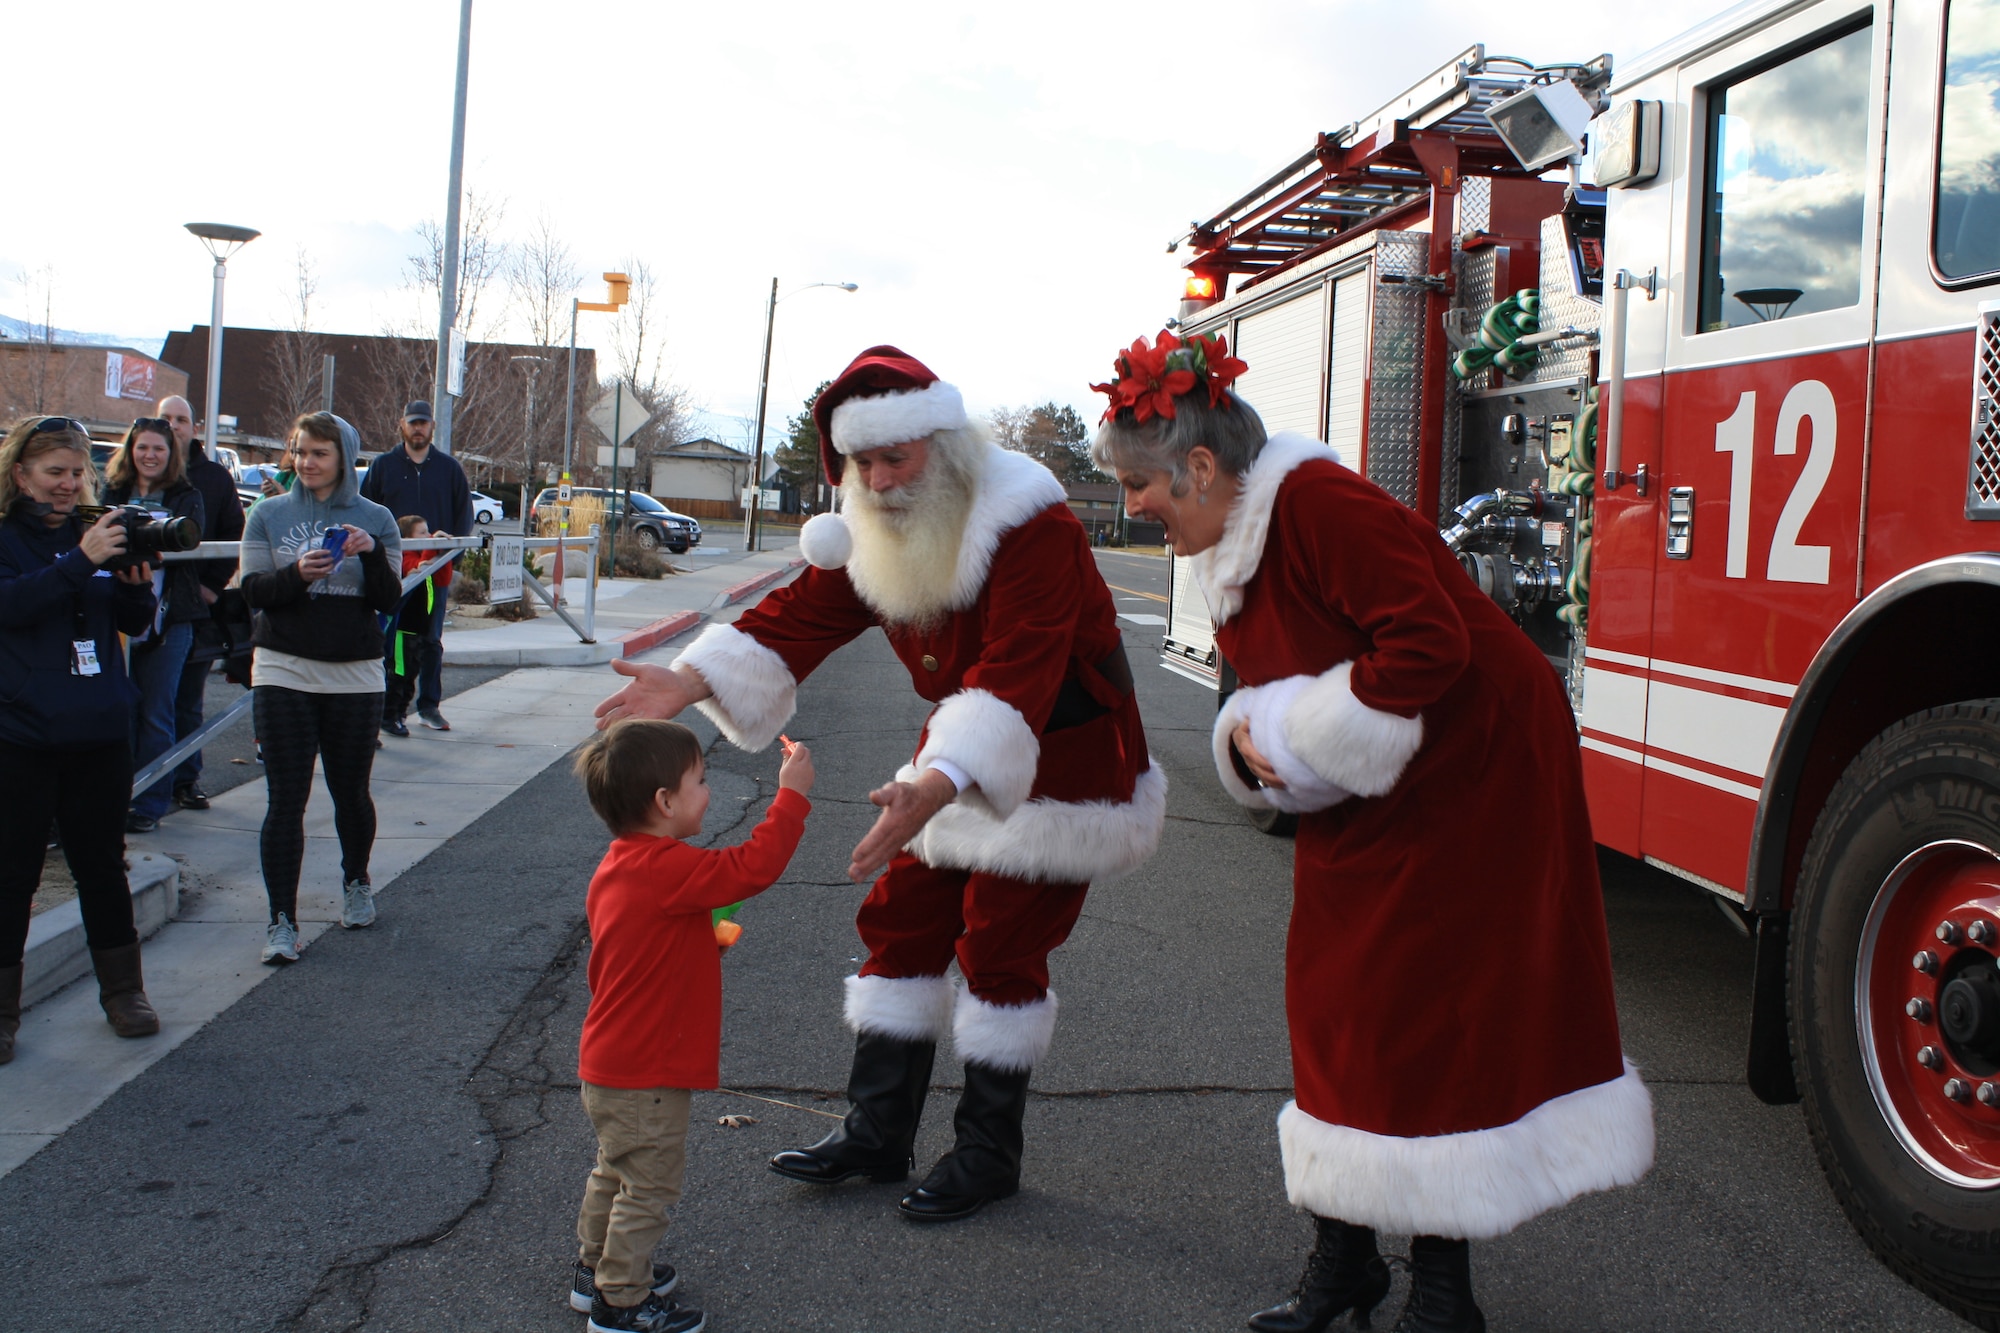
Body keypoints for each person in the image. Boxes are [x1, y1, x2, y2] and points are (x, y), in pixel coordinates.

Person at [1090, 331, 1654, 1333]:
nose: (1131, 505)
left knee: (1420, 1010)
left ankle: (1442, 1292)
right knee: (1336, 999)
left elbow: (1429, 639)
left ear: (1201, 467)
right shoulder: (1231, 533)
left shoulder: (1317, 506)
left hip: (1472, 769)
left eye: (1138, 484)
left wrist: (1300, 741)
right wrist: (1259, 742)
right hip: (1382, 775)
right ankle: (1344, 1258)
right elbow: (1291, 678)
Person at [595, 346, 1165, 1223]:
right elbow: (801, 612)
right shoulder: (885, 526)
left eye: (895, 457)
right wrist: (688, 679)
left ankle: (985, 1153)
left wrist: (938, 779)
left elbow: (1020, 669)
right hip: (961, 744)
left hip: (1067, 754)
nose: (881, 478)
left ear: (945, 445)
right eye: (863, 463)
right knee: (902, 914)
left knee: (1001, 941)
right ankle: (876, 1130)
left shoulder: (1032, 526)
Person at [567, 720, 815, 1333]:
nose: (709, 789)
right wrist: (793, 796)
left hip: (611, 1064)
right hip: (648, 1069)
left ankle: (595, 1269)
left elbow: (641, 946)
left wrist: (699, 945)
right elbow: (752, 867)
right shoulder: (667, 867)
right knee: (649, 1187)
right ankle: (621, 1302)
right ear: (665, 803)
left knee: (615, 1170)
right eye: (701, 780)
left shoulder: (622, 866)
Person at [0, 415, 163, 1061]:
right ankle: (3, 1013)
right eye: (54, 473)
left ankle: (124, 992)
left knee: (101, 865)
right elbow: (12, 607)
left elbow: (128, 620)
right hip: (22, 734)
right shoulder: (15, 540)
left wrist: (135, 591)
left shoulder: (94, 534)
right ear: (20, 475)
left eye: (77, 472)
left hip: (98, 729)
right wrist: (81, 560)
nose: (69, 485)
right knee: (13, 876)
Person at [239, 412, 401, 964]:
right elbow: (252, 590)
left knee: (350, 792)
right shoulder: (267, 514)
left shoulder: (375, 518)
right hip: (283, 668)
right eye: (300, 452)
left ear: (343, 458)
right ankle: (281, 920)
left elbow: (389, 599)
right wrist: (297, 577)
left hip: (354, 673)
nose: (306, 463)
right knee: (285, 799)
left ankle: (356, 882)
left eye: (319, 454)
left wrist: (370, 553)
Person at [102, 416, 207, 833]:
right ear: (130, 450)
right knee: (118, 710)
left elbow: (187, 545)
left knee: (156, 713)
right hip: (117, 613)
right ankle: (113, 797)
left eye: (159, 449)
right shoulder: (110, 493)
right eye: (142, 447)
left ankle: (149, 804)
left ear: (171, 455)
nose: (150, 455)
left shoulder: (188, 496)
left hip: (170, 617)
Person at [155, 394, 244, 812]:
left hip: (194, 608)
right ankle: (143, 782)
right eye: (165, 419)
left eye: (181, 419)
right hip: (142, 607)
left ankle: (185, 779)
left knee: (187, 699)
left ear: (194, 426)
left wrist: (211, 585)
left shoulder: (213, 478)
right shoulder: (140, 472)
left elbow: (232, 535)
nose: (173, 426)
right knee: (145, 700)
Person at [360, 401, 470, 732]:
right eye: (413, 423)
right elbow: (366, 513)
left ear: (432, 426)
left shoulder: (449, 469)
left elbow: (463, 516)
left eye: (423, 422)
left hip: (434, 575)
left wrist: (453, 558)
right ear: (402, 425)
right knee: (392, 644)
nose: (418, 428)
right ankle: (388, 711)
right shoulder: (383, 467)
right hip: (395, 573)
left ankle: (429, 707)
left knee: (430, 642)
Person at [382, 515, 441, 735]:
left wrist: (442, 550)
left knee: (411, 674)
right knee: (399, 674)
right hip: (402, 629)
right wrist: (431, 548)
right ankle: (389, 717)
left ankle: (400, 714)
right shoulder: (405, 557)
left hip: (419, 629)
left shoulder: (426, 558)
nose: (428, 536)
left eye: (428, 531)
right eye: (422, 533)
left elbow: (442, 576)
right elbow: (417, 567)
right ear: (407, 538)